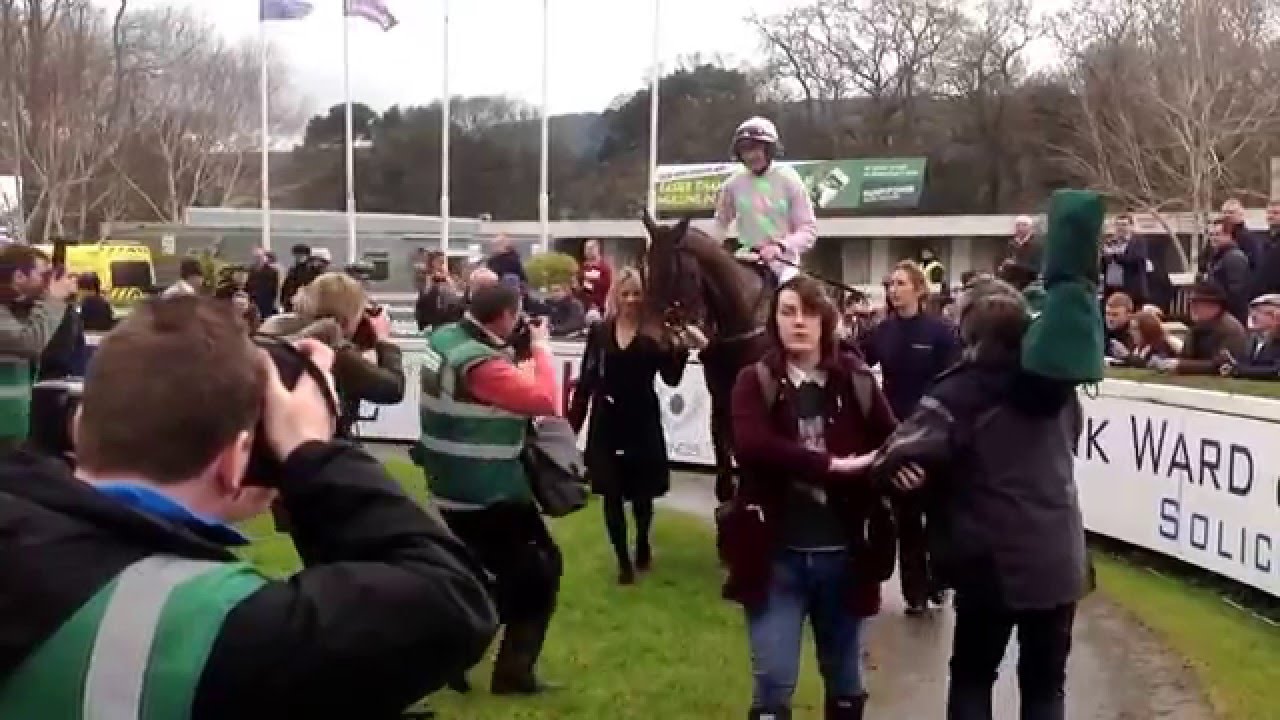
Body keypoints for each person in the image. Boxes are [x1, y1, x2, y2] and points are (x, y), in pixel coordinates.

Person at [0, 295, 498, 718]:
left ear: (81, 422)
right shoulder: (216, 628)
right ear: (235, 459)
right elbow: (450, 601)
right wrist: (311, 454)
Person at [873, 190, 1105, 720]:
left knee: (974, 677)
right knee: (1047, 688)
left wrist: (903, 474)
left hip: (990, 566)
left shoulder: (958, 394)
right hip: (1058, 558)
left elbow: (896, 455)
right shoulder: (1060, 392)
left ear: (969, 333)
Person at [725, 275, 899, 720]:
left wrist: (906, 466)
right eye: (787, 312)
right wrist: (830, 465)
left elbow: (892, 440)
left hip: (844, 557)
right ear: (774, 321)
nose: (798, 322)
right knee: (774, 678)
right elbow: (752, 446)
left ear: (826, 320)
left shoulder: (857, 380)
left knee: (844, 677)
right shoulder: (754, 381)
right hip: (775, 557)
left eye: (808, 312)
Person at [414, 281, 564, 696]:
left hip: (450, 484)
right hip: (487, 491)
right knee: (538, 573)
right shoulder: (479, 362)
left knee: (492, 577)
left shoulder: (445, 338)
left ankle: (452, 656)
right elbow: (546, 399)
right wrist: (542, 347)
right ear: (508, 316)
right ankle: (507, 672)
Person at [568, 267, 704, 584]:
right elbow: (587, 381)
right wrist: (570, 429)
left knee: (642, 495)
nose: (630, 300)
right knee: (611, 494)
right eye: (625, 293)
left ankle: (642, 542)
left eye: (636, 294)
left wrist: (681, 348)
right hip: (607, 420)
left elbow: (671, 379)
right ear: (616, 296)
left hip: (641, 420)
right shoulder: (600, 332)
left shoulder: (652, 336)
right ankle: (622, 563)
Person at [858, 260, 960, 615]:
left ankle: (936, 581)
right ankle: (914, 592)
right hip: (894, 433)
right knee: (903, 513)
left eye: (900, 283)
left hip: (932, 433)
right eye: (890, 284)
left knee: (934, 513)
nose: (893, 289)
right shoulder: (880, 331)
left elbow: (952, 382)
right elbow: (854, 360)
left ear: (918, 289)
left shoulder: (941, 332)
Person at [260, 272, 404, 441]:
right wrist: (384, 340)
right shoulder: (333, 355)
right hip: (319, 449)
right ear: (347, 317)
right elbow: (393, 388)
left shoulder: (273, 336)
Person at [713, 116, 818, 285]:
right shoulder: (732, 184)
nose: (750, 156)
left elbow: (808, 231)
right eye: (745, 150)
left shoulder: (789, 179)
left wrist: (780, 246)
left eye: (755, 149)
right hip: (746, 259)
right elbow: (719, 224)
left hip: (784, 265)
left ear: (769, 149)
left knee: (790, 299)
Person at [0, 245, 77, 449]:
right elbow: (28, 342)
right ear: (19, 276)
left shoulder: (20, 308)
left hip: (13, 424)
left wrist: (60, 303)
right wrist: (53, 300)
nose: (46, 282)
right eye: (43, 274)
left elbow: (59, 348)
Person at [1152, 281, 1247, 376]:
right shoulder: (1197, 326)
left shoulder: (1231, 330)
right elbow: (1186, 355)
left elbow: (1223, 365)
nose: (1192, 308)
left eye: (1197, 304)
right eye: (1192, 303)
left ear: (1214, 306)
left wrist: (1180, 365)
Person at [1201, 218, 1251, 325]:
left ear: (1229, 235)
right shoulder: (1217, 257)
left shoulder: (1235, 258)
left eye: (1217, 234)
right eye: (1211, 235)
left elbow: (1236, 293)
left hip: (1231, 317)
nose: (1213, 238)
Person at [1219, 293, 1280, 379]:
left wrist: (1238, 371)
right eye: (1253, 311)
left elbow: (1275, 370)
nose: (1254, 316)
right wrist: (1230, 365)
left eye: (1261, 312)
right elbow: (1245, 364)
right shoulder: (1252, 340)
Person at [1100, 213, 1149, 308]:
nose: (1120, 227)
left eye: (1124, 224)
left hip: (1130, 291)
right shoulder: (1110, 242)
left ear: (1131, 226)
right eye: (1118, 224)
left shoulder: (1138, 242)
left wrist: (1114, 255)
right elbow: (1103, 265)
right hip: (1111, 289)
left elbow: (1134, 259)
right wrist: (1105, 257)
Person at [415, 250, 464, 331]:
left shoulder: (446, 276)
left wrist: (446, 278)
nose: (441, 264)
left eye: (442, 262)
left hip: (445, 310)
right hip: (431, 309)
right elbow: (425, 291)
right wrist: (433, 279)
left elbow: (454, 290)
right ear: (432, 262)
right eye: (439, 261)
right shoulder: (426, 275)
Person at [577, 239, 613, 314]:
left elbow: (607, 286)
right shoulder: (583, 267)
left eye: (590, 248)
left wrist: (592, 279)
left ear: (597, 249)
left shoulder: (604, 267)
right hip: (583, 307)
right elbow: (581, 286)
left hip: (599, 308)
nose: (587, 251)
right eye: (586, 249)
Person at [247, 247, 280, 320]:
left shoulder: (272, 271)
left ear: (265, 257)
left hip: (266, 302)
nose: (258, 259)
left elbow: (273, 289)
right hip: (252, 301)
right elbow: (247, 285)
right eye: (256, 257)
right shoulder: (251, 270)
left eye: (260, 257)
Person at [279, 244, 314, 312]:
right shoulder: (293, 269)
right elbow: (286, 285)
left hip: (304, 304)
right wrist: (283, 300)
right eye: (297, 255)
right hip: (290, 303)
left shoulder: (311, 270)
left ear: (307, 256)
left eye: (301, 255)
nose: (298, 257)